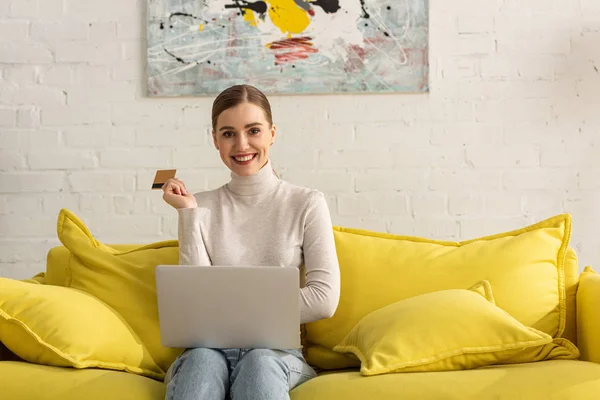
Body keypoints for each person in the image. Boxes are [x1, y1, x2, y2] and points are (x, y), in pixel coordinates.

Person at [161, 84, 341, 400]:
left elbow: (324, 299)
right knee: (201, 359)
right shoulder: (198, 206)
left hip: (276, 354)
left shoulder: (306, 203)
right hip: (209, 349)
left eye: (253, 130)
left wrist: (232, 311)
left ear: (272, 133)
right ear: (215, 140)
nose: (242, 144)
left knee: (259, 360)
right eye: (228, 133)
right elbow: (196, 299)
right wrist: (189, 215)